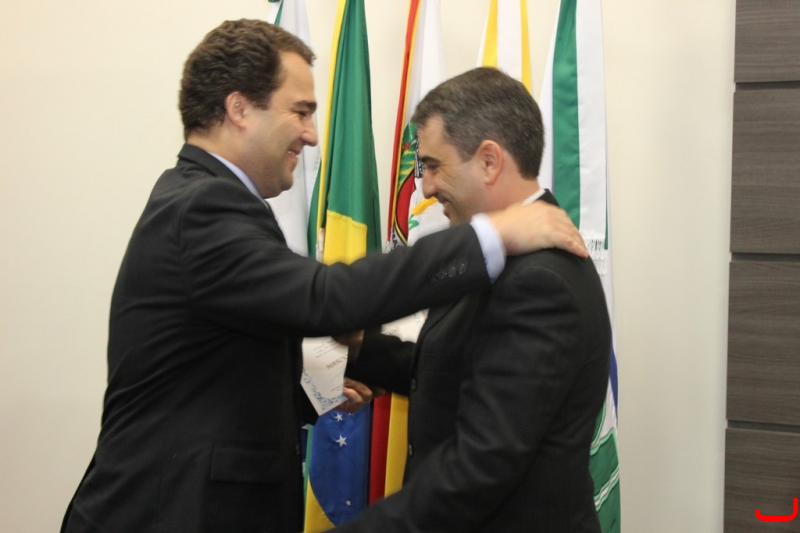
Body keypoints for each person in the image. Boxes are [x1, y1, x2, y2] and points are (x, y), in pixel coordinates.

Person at [59, 20, 587, 533]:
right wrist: (492, 235)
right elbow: (326, 298)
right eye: (301, 111)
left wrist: (311, 392)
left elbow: (209, 381)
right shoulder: (202, 207)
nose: (312, 135)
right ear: (239, 108)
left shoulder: (205, 199)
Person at [337, 67, 612, 532]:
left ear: (489, 161)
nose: (425, 188)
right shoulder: (494, 252)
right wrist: (362, 348)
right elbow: (455, 368)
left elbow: (480, 465)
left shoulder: (540, 280)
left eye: (433, 166)